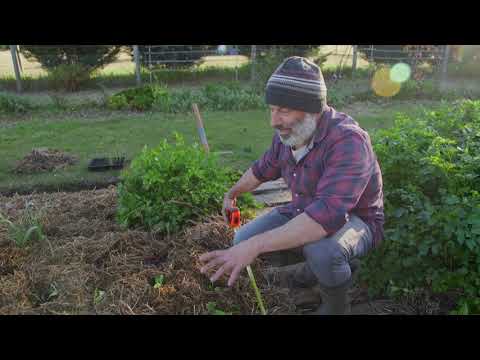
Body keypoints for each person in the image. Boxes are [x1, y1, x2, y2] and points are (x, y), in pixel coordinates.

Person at [199, 56, 384, 315]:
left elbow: (324, 218)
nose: (274, 121)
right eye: (272, 109)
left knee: (321, 250)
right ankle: (309, 274)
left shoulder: (348, 142)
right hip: (303, 209)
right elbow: (261, 169)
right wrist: (233, 193)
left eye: (283, 110)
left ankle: (336, 304)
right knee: (242, 236)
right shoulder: (289, 135)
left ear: (311, 109)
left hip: (355, 220)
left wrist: (254, 248)